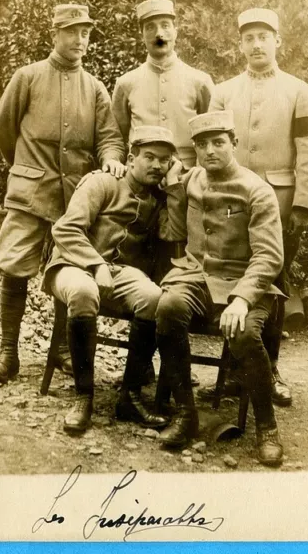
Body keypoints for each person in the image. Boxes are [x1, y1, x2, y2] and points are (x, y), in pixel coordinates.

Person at [0, 4, 126, 385]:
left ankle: (61, 349)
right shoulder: (27, 77)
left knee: (69, 267)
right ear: (54, 35)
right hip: (30, 195)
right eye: (71, 32)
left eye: (85, 33)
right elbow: (2, 132)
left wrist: (111, 159)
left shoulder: (95, 88)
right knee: (14, 266)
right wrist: (26, 169)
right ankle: (8, 352)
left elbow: (109, 138)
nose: (79, 40)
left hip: (73, 200)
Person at [155, 111, 285, 467]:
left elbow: (269, 255)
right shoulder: (193, 178)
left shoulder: (257, 190)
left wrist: (242, 299)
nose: (209, 150)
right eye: (201, 144)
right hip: (197, 276)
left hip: (245, 281)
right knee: (167, 308)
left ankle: (267, 427)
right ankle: (186, 413)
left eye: (218, 142)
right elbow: (177, 222)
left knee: (242, 334)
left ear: (234, 144)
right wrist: (169, 183)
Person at [208, 8, 308, 406]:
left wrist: (303, 204)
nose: (257, 44)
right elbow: (210, 148)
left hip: (280, 202)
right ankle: (236, 372)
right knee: (234, 279)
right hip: (229, 203)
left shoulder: (298, 90)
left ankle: (269, 369)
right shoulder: (223, 92)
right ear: (239, 44)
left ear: (278, 42)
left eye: (264, 36)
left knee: (273, 286)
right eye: (249, 37)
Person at [43, 126, 182, 434]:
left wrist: (173, 188)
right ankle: (84, 396)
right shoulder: (102, 182)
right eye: (149, 157)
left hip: (120, 272)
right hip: (73, 263)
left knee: (154, 298)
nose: (157, 165)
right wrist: (95, 264)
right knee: (82, 291)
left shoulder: (156, 198)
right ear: (131, 159)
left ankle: (129, 397)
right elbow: (66, 230)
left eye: (164, 160)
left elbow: (172, 234)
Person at [112, 0, 214, 170]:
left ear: (176, 32)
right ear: (142, 35)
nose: (159, 34)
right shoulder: (126, 83)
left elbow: (212, 134)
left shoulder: (200, 82)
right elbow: (116, 137)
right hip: (141, 179)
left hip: (188, 176)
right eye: (150, 27)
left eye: (165, 25)